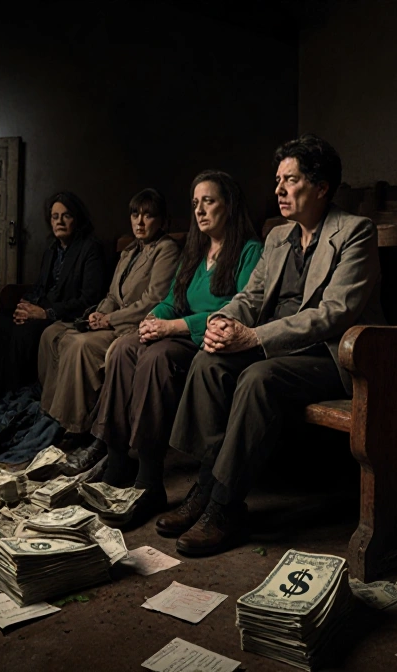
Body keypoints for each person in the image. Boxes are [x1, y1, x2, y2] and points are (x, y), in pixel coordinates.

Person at [161, 134, 385, 555]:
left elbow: (335, 313)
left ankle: (224, 506)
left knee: (257, 377)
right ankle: (206, 487)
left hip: (333, 354)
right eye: (277, 180)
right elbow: (250, 296)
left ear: (321, 187)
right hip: (278, 346)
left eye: (291, 180)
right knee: (209, 362)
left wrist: (255, 337)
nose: (279, 190)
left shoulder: (355, 232)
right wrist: (225, 321)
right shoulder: (279, 237)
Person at [87, 170, 264, 523]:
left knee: (157, 356)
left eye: (208, 201)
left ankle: (150, 481)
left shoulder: (249, 251)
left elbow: (241, 310)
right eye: (195, 203)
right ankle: (118, 457)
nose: (199, 210)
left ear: (228, 206)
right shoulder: (195, 251)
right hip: (179, 331)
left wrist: (174, 327)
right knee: (125, 347)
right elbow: (172, 300)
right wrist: (153, 319)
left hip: (212, 341)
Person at [36, 188, 181, 464]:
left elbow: (154, 300)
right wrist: (98, 314)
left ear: (162, 221)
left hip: (136, 326)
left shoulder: (167, 250)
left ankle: (75, 425)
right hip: (114, 321)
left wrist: (109, 320)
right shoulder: (129, 251)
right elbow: (113, 295)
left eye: (148, 216)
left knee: (79, 345)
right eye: (135, 215)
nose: (139, 222)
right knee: (58, 335)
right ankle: (57, 418)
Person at [0, 191, 107, 398]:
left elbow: (89, 299)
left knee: (24, 332)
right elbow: (40, 287)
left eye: (66, 216)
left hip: (65, 315)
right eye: (55, 217)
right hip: (42, 308)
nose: (59, 221)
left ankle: (7, 394)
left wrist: (45, 313)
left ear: (77, 219)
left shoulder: (90, 249)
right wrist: (25, 306)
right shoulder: (52, 249)